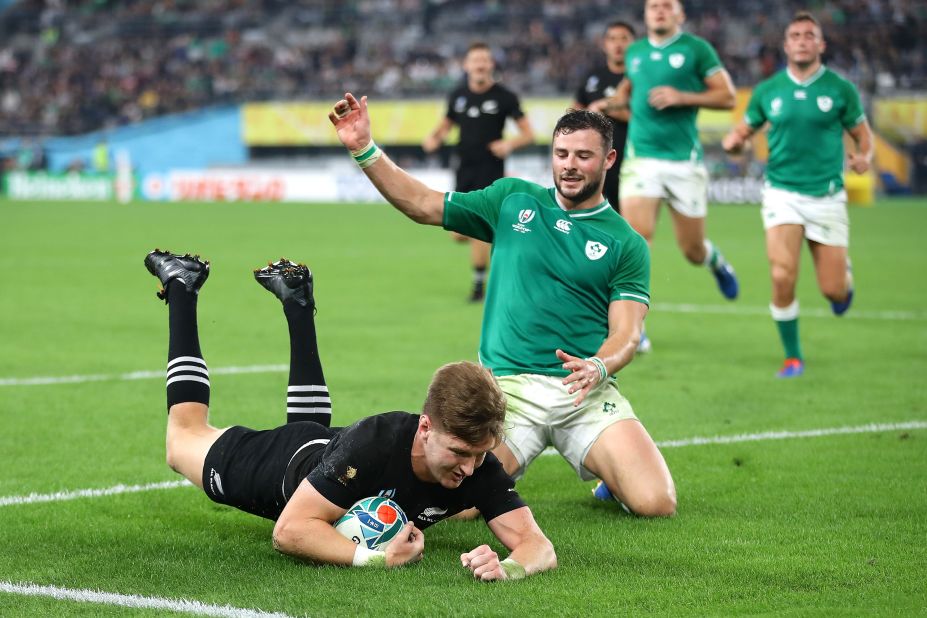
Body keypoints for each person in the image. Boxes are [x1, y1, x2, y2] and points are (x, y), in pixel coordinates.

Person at [330, 94, 676, 516]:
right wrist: (364, 148)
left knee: (656, 503)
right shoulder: (512, 199)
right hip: (507, 391)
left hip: (583, 391)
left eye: (583, 156)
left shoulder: (626, 242)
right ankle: (603, 465)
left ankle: (611, 473)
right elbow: (423, 204)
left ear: (608, 159)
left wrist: (599, 367)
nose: (569, 164)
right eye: (561, 153)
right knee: (460, 509)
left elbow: (627, 333)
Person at [143, 249, 556, 579]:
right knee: (182, 440)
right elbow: (288, 532)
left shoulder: (477, 462)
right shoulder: (378, 440)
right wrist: (376, 560)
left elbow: (539, 547)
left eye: (479, 454)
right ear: (426, 427)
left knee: (325, 455)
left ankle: (297, 301)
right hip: (277, 467)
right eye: (459, 452)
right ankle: (182, 285)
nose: (469, 467)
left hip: (325, 449)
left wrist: (507, 568)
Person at [721, 12, 872, 378]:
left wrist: (864, 156)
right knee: (782, 274)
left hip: (827, 195)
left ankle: (844, 280)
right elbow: (743, 131)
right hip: (781, 193)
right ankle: (792, 357)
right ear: (786, 45)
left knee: (834, 292)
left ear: (821, 45)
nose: (802, 40)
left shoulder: (840, 89)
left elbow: (862, 133)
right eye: (796, 35)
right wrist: (734, 141)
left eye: (809, 35)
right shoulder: (768, 91)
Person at [608, 0, 740, 351]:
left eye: (667, 5)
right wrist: (608, 105)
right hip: (642, 161)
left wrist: (682, 96)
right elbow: (626, 92)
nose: (659, 10)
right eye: (653, 5)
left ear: (680, 14)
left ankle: (716, 262)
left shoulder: (697, 49)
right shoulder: (635, 53)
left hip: (684, 162)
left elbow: (727, 96)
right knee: (636, 240)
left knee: (692, 249)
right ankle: (635, 327)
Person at [422, 42, 535, 302]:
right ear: (467, 65)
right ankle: (501, 238)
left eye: (485, 60)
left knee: (477, 227)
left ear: (491, 64)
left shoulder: (505, 97)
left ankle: (478, 285)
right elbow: (446, 124)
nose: (480, 65)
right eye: (475, 60)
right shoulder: (458, 96)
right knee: (459, 233)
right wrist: (434, 138)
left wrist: (509, 144)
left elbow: (528, 134)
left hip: (491, 170)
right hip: (464, 169)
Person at [573, 20, 636, 212]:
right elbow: (574, 114)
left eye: (624, 39)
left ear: (634, 44)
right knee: (597, 222)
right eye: (612, 39)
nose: (618, 44)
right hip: (598, 163)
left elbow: (646, 119)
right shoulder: (593, 77)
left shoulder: (640, 76)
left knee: (632, 226)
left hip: (633, 161)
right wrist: (588, 113)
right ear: (604, 44)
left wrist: (608, 108)